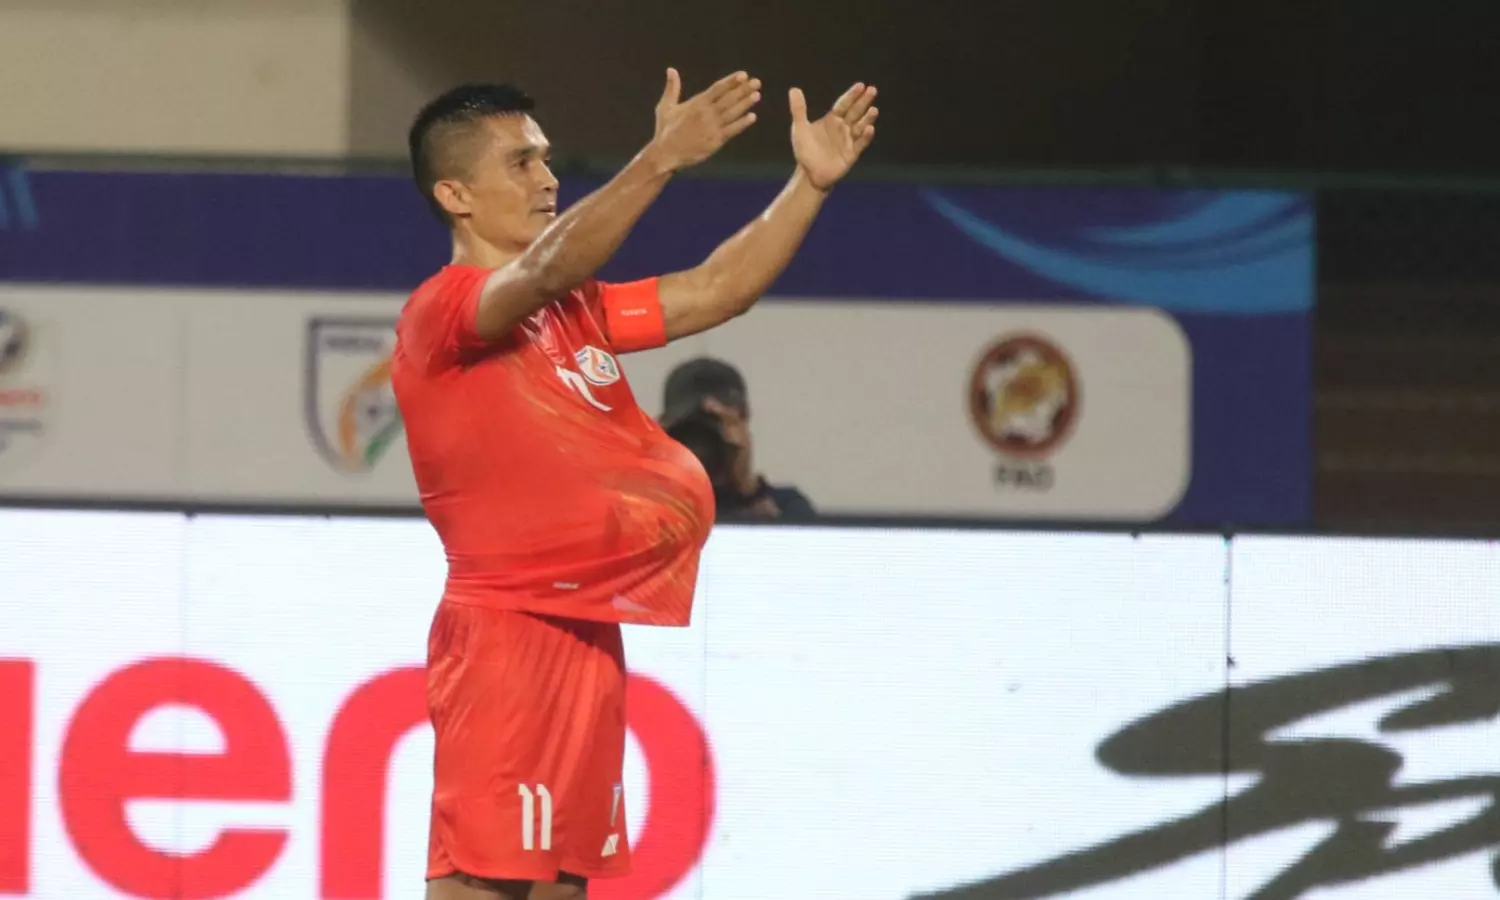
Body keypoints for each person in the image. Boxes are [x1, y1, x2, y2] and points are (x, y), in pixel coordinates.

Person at [390, 67, 878, 900]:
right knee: (483, 885)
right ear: (455, 195)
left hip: (588, 631)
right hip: (506, 640)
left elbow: (717, 290)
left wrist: (808, 185)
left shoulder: (576, 311)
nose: (547, 178)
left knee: (562, 887)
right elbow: (539, 273)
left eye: (546, 159)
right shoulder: (443, 312)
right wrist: (659, 160)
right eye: (520, 163)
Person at [660, 356, 816, 520]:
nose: (702, 444)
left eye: (716, 425)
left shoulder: (786, 507)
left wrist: (748, 491)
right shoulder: (649, 507)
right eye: (690, 432)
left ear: (744, 421)